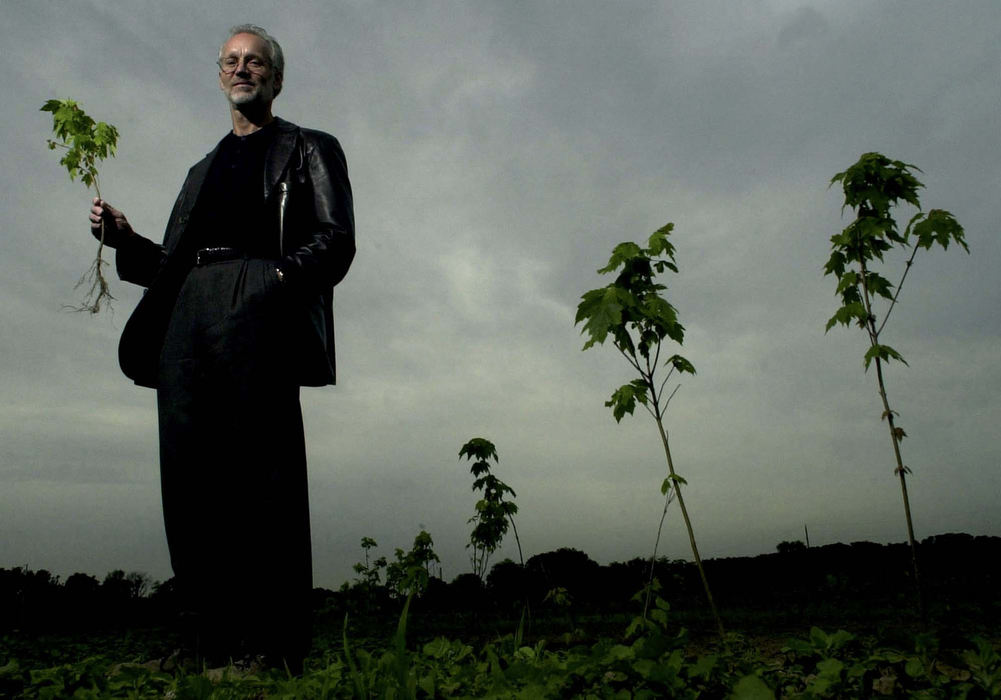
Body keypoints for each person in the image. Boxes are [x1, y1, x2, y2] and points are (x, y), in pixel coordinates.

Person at [88, 24, 355, 672]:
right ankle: (204, 645)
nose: (243, 70)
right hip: (187, 313)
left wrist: (271, 286)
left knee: (262, 479)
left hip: (258, 300)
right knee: (189, 484)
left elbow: (335, 239)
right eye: (232, 61)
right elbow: (172, 267)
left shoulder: (308, 148)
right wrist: (125, 240)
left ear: (276, 77)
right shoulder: (198, 172)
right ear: (219, 76)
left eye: (255, 61)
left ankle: (273, 649)